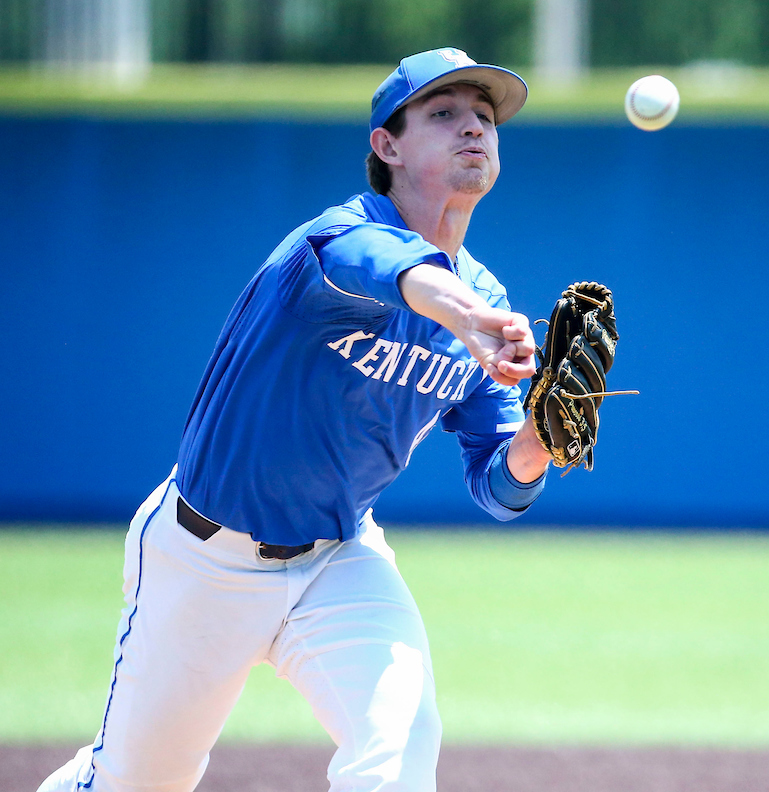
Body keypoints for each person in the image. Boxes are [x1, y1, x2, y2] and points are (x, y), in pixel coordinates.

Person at [40, 47, 551, 792]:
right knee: (137, 784)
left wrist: (541, 441)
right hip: (203, 557)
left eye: (485, 116)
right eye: (443, 114)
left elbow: (499, 485)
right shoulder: (335, 239)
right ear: (388, 145)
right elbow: (392, 270)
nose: (473, 128)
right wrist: (472, 320)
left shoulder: (484, 293)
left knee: (401, 746)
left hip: (339, 559)